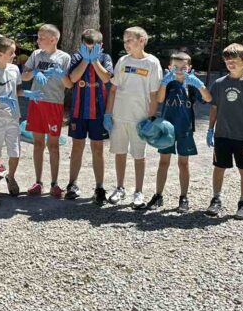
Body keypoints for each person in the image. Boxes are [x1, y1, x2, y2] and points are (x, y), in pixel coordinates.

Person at [103, 26, 162, 209]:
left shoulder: (152, 63)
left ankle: (138, 192)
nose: (126, 43)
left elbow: (154, 95)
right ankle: (120, 188)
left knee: (138, 155)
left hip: (140, 119)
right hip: (119, 117)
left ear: (142, 40)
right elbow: (113, 89)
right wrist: (108, 113)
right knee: (119, 152)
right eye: (125, 40)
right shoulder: (122, 61)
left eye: (130, 39)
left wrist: (150, 120)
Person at [145, 52, 212, 212]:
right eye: (175, 67)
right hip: (167, 130)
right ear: (169, 67)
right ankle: (158, 195)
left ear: (189, 68)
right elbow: (160, 100)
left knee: (183, 164)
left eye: (183, 67)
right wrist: (164, 82)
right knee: (163, 162)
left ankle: (183, 197)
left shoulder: (191, 84)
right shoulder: (168, 83)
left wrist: (198, 84)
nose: (179, 70)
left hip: (185, 129)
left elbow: (208, 99)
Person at [205, 43, 243, 220]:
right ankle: (216, 199)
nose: (231, 64)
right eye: (227, 61)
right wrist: (210, 129)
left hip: (242, 136)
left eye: (235, 61)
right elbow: (214, 108)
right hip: (222, 134)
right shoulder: (220, 84)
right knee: (219, 167)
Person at [0, 37, 40, 206]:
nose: (15, 55)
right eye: (11, 52)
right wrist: (0, 99)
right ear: (0, 54)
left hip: (13, 118)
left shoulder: (14, 70)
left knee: (15, 152)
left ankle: (11, 177)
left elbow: (18, 89)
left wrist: (27, 94)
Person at [64, 29, 114, 204]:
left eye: (93, 48)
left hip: (98, 111)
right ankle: (72, 184)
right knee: (77, 147)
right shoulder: (77, 57)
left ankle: (99, 187)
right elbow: (73, 77)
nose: (90, 51)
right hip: (79, 110)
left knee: (98, 149)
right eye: (87, 48)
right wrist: (86, 59)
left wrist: (95, 60)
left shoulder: (105, 58)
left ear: (101, 46)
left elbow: (106, 78)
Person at [21, 24, 71, 198]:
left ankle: (55, 184)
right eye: (38, 36)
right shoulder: (36, 55)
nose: (38, 40)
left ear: (53, 39)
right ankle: (38, 182)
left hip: (54, 104)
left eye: (42, 37)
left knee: (54, 145)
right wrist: (34, 71)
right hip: (36, 102)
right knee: (38, 144)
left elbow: (69, 84)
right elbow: (24, 76)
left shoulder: (64, 57)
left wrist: (60, 75)